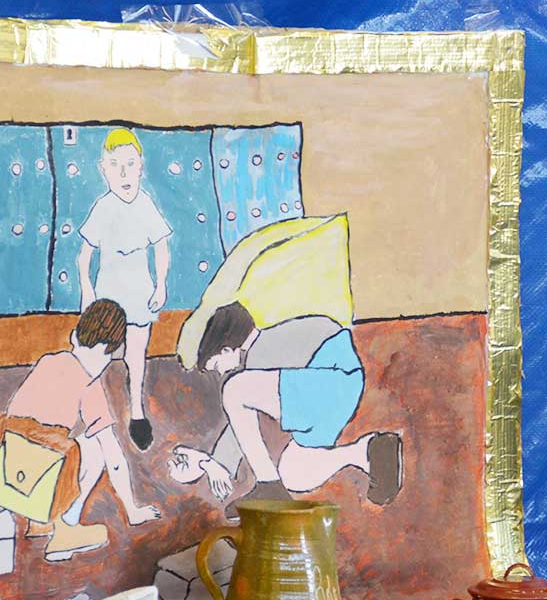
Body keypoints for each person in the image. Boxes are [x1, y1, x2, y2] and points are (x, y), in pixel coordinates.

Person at [170, 302, 402, 520]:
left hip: (331, 380)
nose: (220, 373)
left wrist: (216, 463)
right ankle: (367, 451)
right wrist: (209, 462)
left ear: (227, 349)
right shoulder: (267, 350)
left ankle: (268, 485)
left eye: (217, 365)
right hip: (338, 392)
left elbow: (237, 424)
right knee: (294, 473)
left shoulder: (260, 350)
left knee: (234, 390)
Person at [0, 299, 161, 565]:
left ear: (75, 336)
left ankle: (40, 525)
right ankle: (65, 529)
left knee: (41, 440)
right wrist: (132, 509)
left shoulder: (47, 362)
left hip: (8, 475)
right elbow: (115, 457)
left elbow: (21, 418)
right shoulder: (90, 385)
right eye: (110, 355)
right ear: (108, 349)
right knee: (94, 447)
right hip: (40, 485)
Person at [78, 127, 172, 452]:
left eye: (130, 164)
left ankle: (137, 413)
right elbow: (83, 256)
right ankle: (85, 409)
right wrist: (87, 292)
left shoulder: (146, 205)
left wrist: (161, 285)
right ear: (104, 169)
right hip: (107, 297)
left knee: (136, 355)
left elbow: (161, 247)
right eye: (115, 165)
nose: (123, 173)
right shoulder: (103, 208)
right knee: (98, 355)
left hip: (139, 294)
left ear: (141, 166)